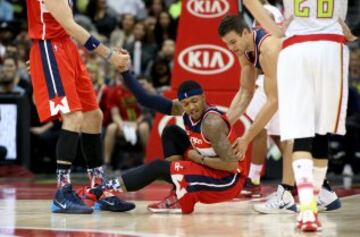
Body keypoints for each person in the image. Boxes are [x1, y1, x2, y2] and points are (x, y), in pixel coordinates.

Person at [242, 0, 353, 232]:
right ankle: (312, 203)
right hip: (331, 47)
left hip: (296, 47)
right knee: (321, 131)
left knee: (299, 132)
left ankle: (307, 211)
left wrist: (276, 30)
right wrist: (343, 25)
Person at [26, 0, 134, 214]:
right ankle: (62, 192)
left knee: (94, 116)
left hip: (66, 47)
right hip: (50, 46)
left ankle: (97, 188)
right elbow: (70, 25)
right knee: (73, 116)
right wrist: (109, 56)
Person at [98, 69, 246, 214]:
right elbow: (145, 99)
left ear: (203, 97)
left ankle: (103, 189)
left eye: (194, 101)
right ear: (181, 104)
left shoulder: (212, 123)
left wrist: (199, 158)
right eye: (186, 104)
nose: (192, 107)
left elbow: (231, 165)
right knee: (171, 132)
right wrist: (125, 71)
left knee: (157, 167)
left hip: (228, 181)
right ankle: (177, 190)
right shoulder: (183, 109)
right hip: (209, 167)